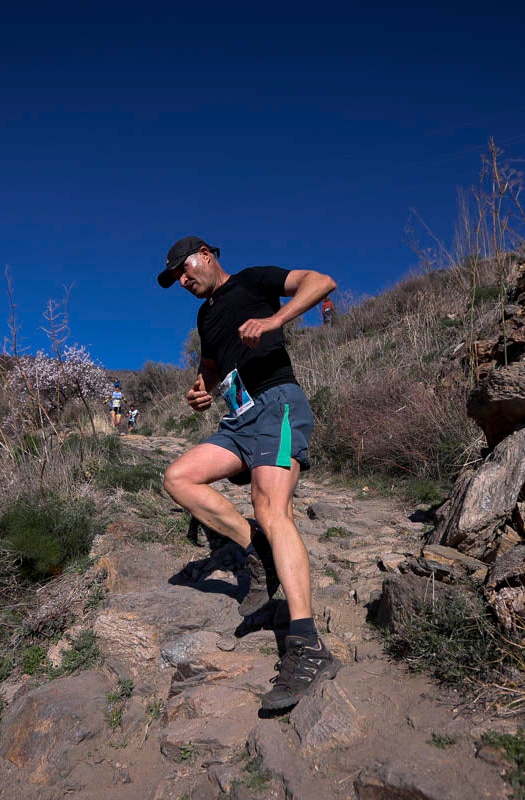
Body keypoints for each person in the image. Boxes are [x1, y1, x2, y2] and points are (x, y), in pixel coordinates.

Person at [157, 235, 339, 711]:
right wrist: (200, 391)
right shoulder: (204, 316)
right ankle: (254, 545)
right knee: (179, 477)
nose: (182, 279)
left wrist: (275, 319)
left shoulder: (254, 280)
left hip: (277, 403)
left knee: (272, 507)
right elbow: (210, 372)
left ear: (208, 255)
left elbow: (321, 281)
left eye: (184, 268)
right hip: (236, 419)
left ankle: (306, 644)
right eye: (176, 276)